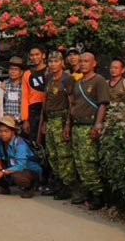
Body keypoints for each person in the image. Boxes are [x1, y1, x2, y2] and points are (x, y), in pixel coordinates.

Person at [68, 52, 109, 210]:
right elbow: (73, 105)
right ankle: (87, 192)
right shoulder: (78, 83)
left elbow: (103, 105)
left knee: (89, 161)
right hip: (77, 126)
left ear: (94, 63)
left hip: (89, 126)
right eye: (81, 61)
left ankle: (98, 195)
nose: (83, 64)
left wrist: (97, 125)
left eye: (86, 61)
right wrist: (68, 124)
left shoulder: (98, 81)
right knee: (79, 161)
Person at [37, 51, 75, 200]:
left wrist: (68, 123)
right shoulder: (49, 78)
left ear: (62, 63)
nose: (53, 64)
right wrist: (44, 121)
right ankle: (57, 183)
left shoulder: (68, 79)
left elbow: (71, 102)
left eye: (56, 61)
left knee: (63, 154)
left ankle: (67, 186)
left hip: (62, 119)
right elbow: (45, 101)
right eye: (51, 62)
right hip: (50, 120)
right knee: (52, 154)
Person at [0, 115, 42, 198]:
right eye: (0, 131)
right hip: (13, 167)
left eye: (6, 131)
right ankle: (4, 188)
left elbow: (20, 165)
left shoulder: (20, 144)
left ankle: (30, 188)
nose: (3, 134)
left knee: (17, 176)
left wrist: (2, 172)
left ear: (13, 132)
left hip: (29, 170)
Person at [21, 45, 47, 139]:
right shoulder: (27, 74)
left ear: (43, 55)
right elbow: (24, 97)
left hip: (48, 109)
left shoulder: (50, 71)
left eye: (37, 54)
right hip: (33, 111)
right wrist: (25, 119)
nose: (34, 57)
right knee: (34, 142)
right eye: (32, 55)